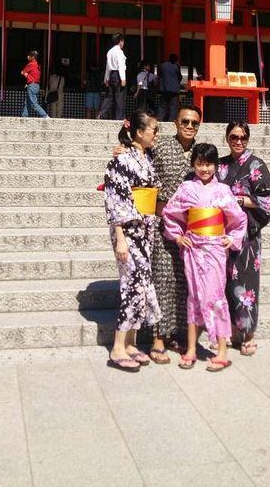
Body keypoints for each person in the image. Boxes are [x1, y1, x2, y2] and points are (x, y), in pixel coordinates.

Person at [163, 143, 247, 372]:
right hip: (193, 249)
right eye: (200, 163)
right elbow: (170, 213)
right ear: (193, 164)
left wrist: (232, 237)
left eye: (209, 164)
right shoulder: (186, 188)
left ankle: (221, 350)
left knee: (216, 296)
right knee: (194, 297)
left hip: (215, 249)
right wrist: (178, 236)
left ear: (216, 166)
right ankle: (191, 348)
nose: (204, 168)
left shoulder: (223, 191)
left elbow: (238, 219)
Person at [104, 110, 161, 372]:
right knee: (132, 285)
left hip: (146, 230)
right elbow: (114, 200)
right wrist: (119, 238)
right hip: (128, 231)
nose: (156, 134)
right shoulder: (121, 160)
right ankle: (117, 346)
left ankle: (130, 343)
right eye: (154, 130)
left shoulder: (146, 158)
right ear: (139, 132)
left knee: (142, 284)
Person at [218, 121, 270, 356]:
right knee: (225, 283)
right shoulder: (220, 166)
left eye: (242, 137)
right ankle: (232, 331)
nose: (238, 141)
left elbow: (268, 200)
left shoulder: (256, 165)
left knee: (247, 282)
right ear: (227, 138)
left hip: (247, 235)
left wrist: (240, 199)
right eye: (233, 137)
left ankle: (248, 334)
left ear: (248, 139)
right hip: (223, 234)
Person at [149, 104, 202, 363]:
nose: (189, 127)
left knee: (184, 282)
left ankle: (178, 333)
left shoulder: (200, 154)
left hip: (190, 230)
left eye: (194, 123)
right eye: (185, 121)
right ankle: (158, 336)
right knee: (162, 278)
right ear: (176, 123)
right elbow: (141, 168)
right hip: (162, 225)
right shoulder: (159, 147)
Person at [99, 33, 127, 120]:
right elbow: (121, 65)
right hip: (118, 75)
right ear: (120, 41)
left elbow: (108, 66)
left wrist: (106, 78)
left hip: (111, 75)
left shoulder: (110, 51)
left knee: (110, 96)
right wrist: (123, 78)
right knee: (120, 97)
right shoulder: (119, 52)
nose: (123, 43)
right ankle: (119, 118)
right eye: (123, 41)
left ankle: (102, 114)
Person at [21, 50, 49, 119]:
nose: (27, 56)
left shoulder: (31, 64)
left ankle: (44, 115)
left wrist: (26, 75)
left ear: (32, 57)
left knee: (33, 102)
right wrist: (28, 78)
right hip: (36, 85)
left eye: (29, 55)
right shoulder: (38, 65)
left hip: (32, 85)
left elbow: (22, 72)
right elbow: (35, 76)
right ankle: (24, 116)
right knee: (28, 101)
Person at [158, 53, 182, 121]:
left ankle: (160, 119)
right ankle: (171, 120)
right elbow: (179, 77)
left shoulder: (163, 65)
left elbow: (159, 75)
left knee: (162, 105)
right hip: (174, 90)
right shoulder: (176, 66)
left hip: (164, 88)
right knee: (173, 106)